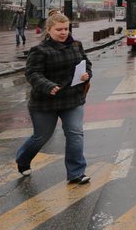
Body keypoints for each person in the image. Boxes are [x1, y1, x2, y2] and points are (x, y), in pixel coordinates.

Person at [15, 11, 93, 184]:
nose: (64, 32)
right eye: (59, 29)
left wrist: (87, 73)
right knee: (41, 136)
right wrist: (48, 86)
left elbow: (86, 62)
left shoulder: (76, 45)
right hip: (45, 102)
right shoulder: (39, 50)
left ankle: (76, 173)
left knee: (75, 133)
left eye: (66, 29)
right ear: (49, 30)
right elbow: (32, 73)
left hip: (72, 99)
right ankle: (23, 159)